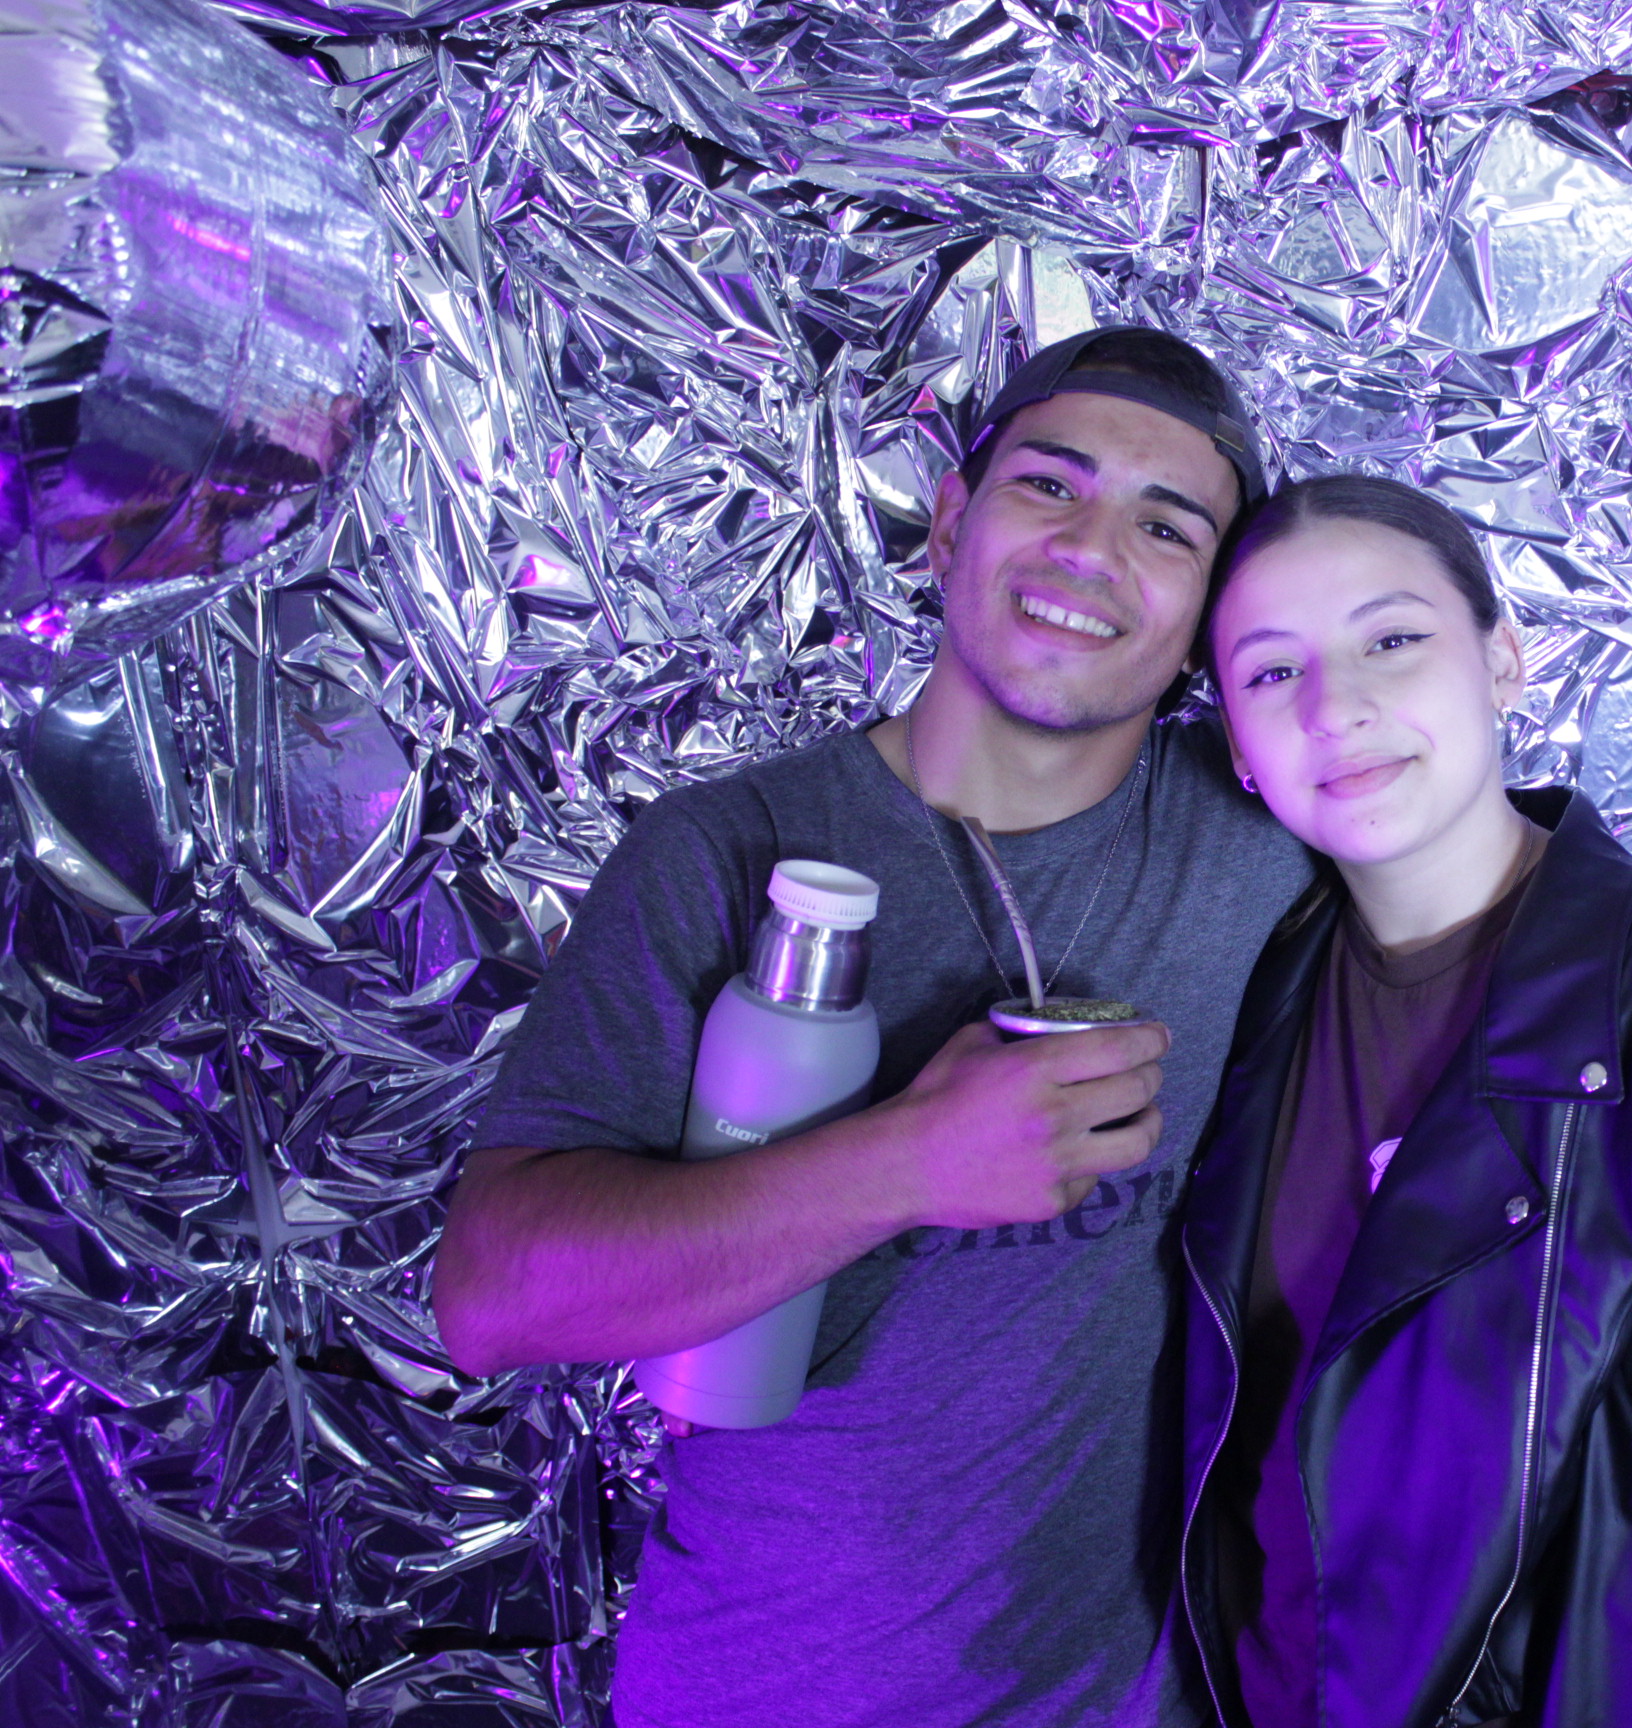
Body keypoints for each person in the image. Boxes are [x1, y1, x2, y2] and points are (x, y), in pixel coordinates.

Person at [431, 327, 1319, 1728]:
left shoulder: (1272, 844)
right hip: (767, 1689)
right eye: (1049, 486)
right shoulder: (727, 853)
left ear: (1213, 610)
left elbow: (1503, 863)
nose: (1092, 550)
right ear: (950, 525)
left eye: (1167, 527)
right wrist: (907, 1162)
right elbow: (491, 1300)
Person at [1177, 475, 1632, 1728]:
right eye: (1273, 673)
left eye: (1393, 639)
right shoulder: (1255, 989)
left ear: (1504, 659)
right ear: (1234, 743)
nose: (1337, 708)